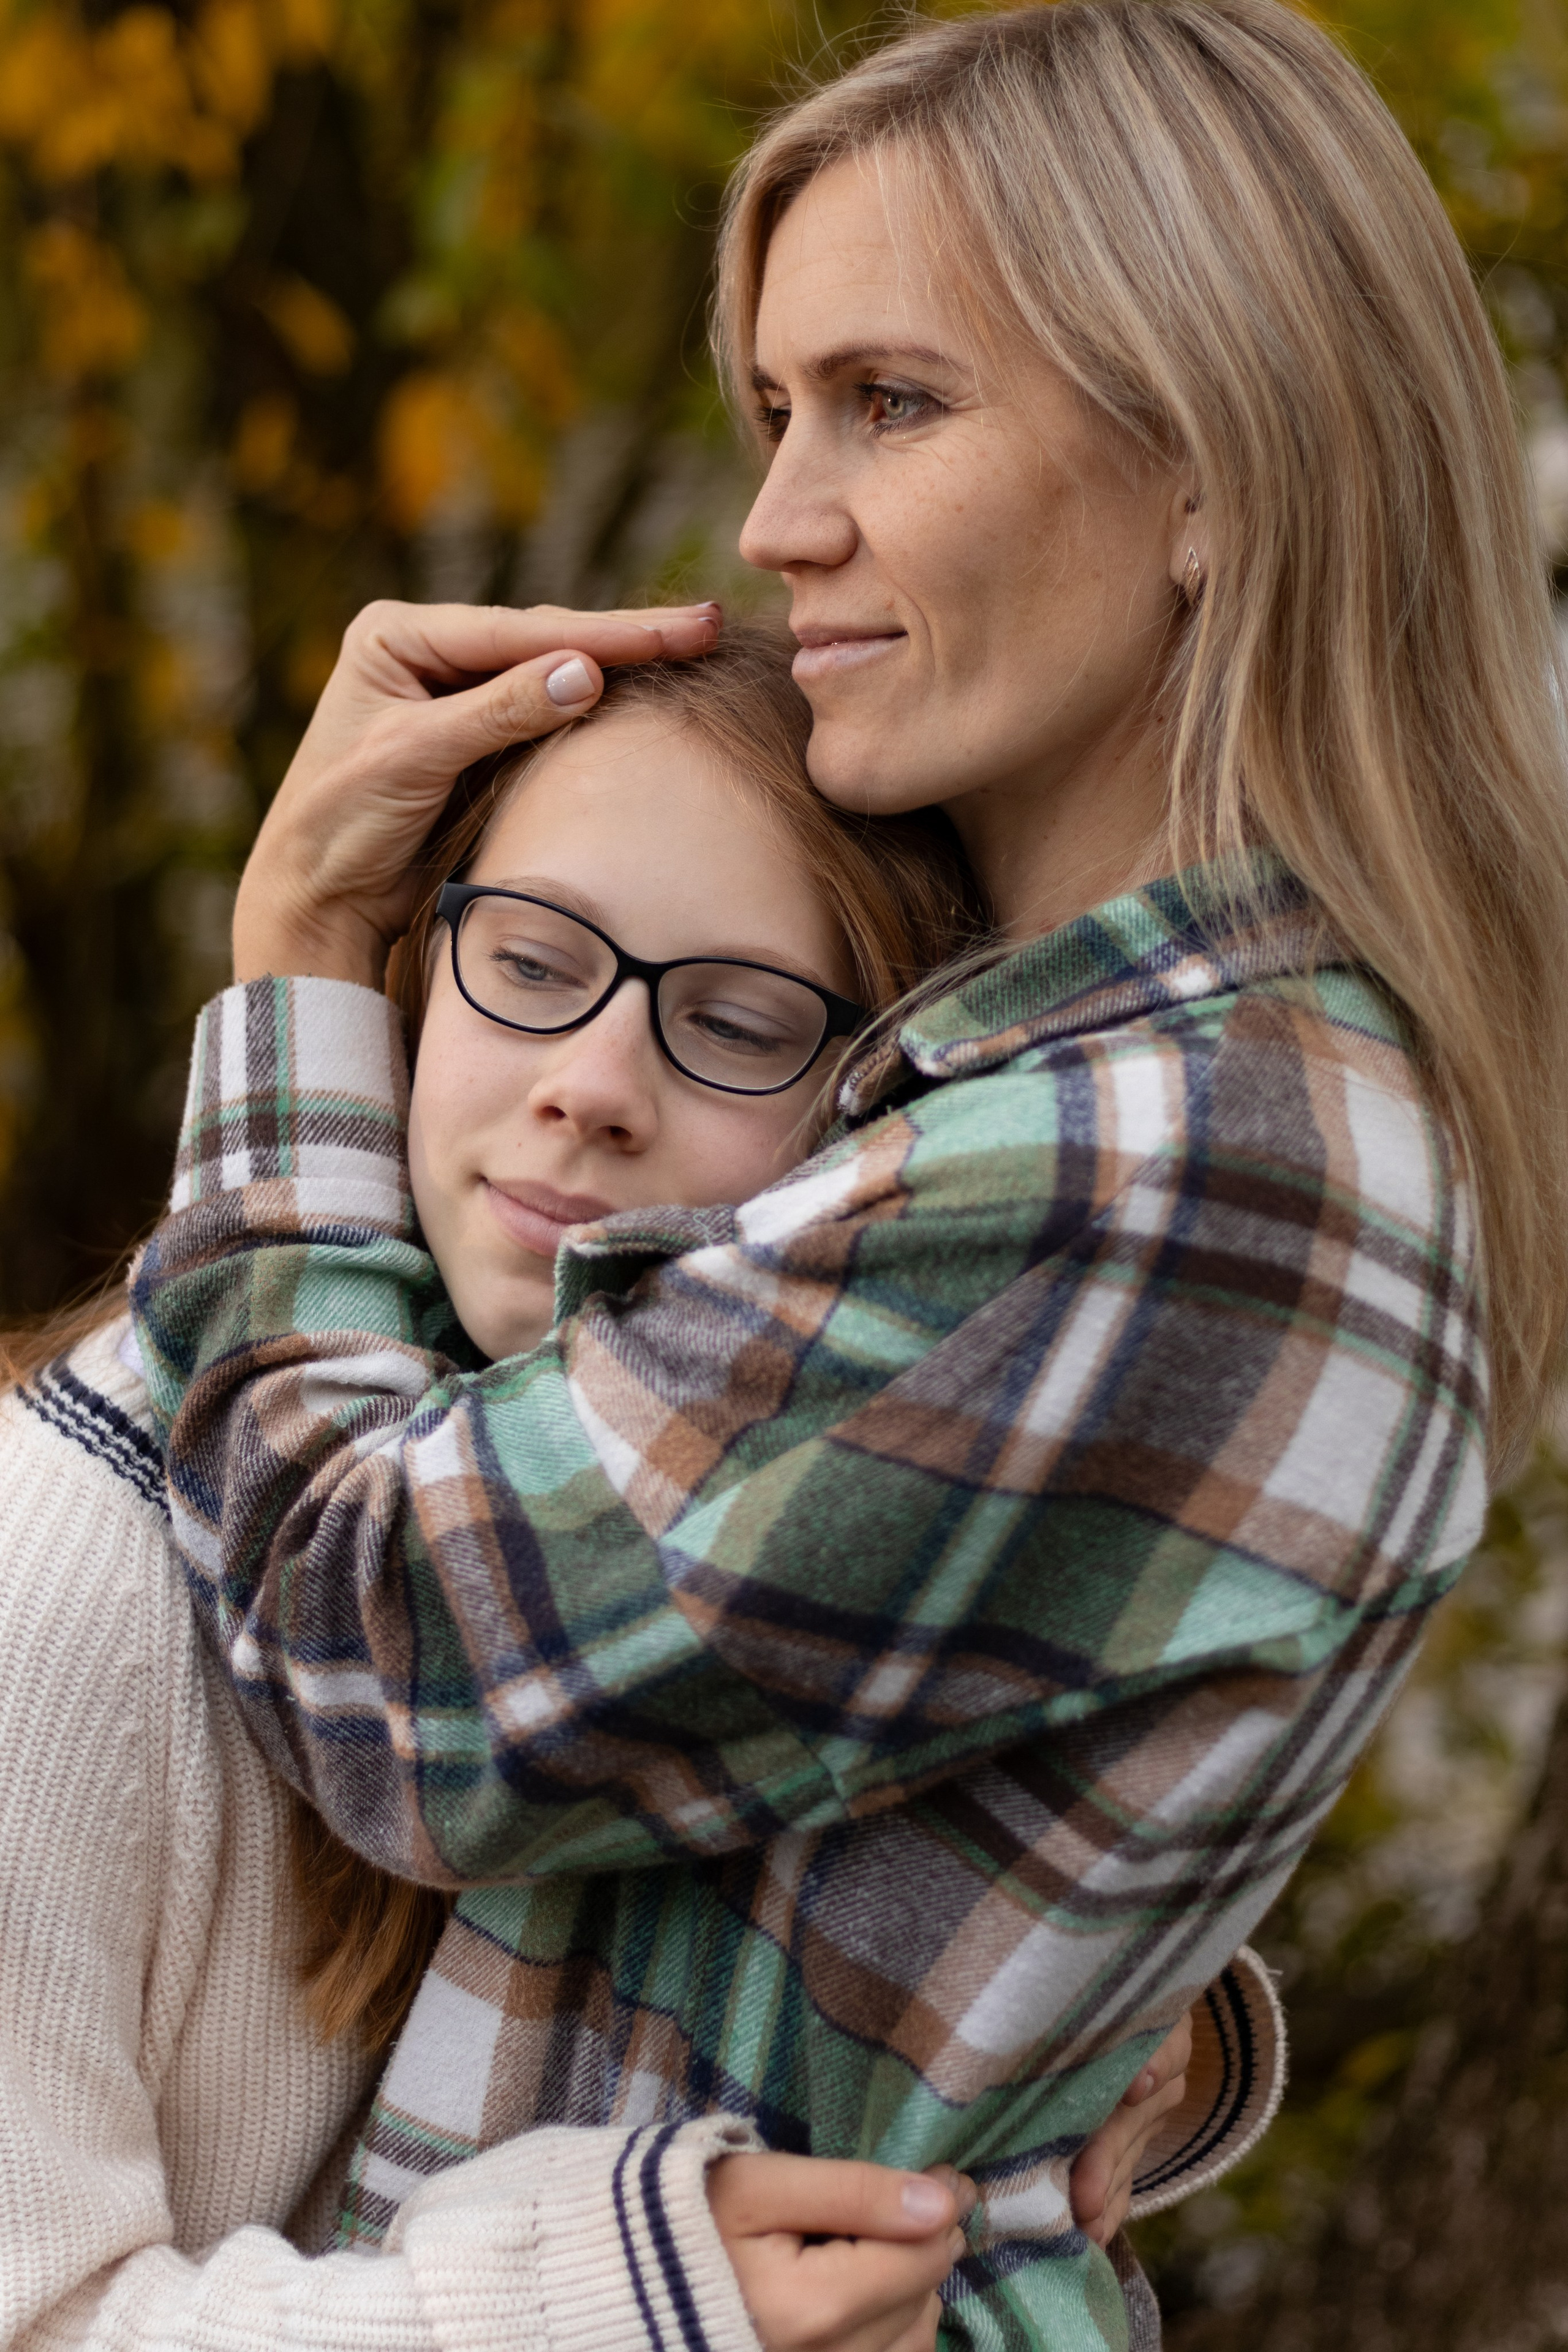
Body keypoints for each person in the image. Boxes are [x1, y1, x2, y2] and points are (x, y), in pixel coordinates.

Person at [129, 1, 1568, 2345]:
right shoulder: (1113, 1086)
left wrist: (297, 970)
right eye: (778, 410)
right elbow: (810, 1739)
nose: (779, 520)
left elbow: (394, 1661)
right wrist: (1128, 2028)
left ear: (1215, 469)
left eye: (893, 402)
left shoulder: (1169, 1156)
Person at [0, 627, 1223, 2352]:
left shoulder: (767, 1513)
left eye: (735, 1024)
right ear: (417, 976)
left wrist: (1129, 2016)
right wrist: (610, 2310)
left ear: (883, 1154)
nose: (588, 1086)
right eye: (528, 960)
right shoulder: (70, 1567)